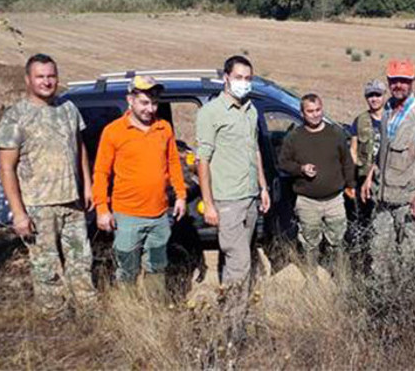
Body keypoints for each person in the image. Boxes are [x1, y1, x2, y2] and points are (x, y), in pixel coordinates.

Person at [0, 53, 97, 313]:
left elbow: (79, 148)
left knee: (81, 262)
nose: (47, 81)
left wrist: (87, 185)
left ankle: (88, 313)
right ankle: (55, 322)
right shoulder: (16, 116)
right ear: (28, 79)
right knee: (46, 270)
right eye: (40, 76)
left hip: (72, 204)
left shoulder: (68, 109)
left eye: (51, 76)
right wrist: (19, 214)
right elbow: (6, 168)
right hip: (38, 207)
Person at [92, 75, 187, 299]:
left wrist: (181, 195)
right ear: (130, 100)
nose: (150, 109)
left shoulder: (164, 128)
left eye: (154, 103)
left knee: (157, 266)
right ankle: (130, 312)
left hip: (159, 216)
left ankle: (155, 310)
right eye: (144, 102)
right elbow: (101, 172)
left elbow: (173, 162)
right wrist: (102, 208)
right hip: (127, 216)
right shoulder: (113, 131)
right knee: (127, 270)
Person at [196, 55, 271, 287]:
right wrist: (208, 204)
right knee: (240, 263)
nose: (244, 82)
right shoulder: (211, 112)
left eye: (248, 78)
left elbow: (255, 151)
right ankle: (232, 320)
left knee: (237, 260)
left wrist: (263, 187)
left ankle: (235, 311)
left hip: (250, 198)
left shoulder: (250, 110)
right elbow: (202, 161)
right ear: (226, 78)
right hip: (227, 201)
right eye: (239, 77)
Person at [361, 59, 415, 269]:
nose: (398, 85)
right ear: (388, 81)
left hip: (408, 201)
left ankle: (408, 302)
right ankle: (380, 300)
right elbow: (382, 151)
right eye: (394, 80)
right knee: (378, 254)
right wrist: (370, 178)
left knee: (407, 258)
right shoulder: (387, 108)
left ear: (412, 82)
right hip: (383, 198)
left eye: (404, 81)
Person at [278, 94, 356, 272]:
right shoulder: (294, 137)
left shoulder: (335, 133)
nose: (315, 114)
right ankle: (312, 278)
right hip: (307, 201)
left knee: (337, 241)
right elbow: (283, 163)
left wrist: (351, 185)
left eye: (318, 110)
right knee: (309, 243)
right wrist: (301, 169)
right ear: (302, 113)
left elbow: (347, 162)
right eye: (310, 111)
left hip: (334, 200)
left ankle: (337, 276)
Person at [347, 79, 385, 271]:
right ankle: (364, 261)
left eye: (377, 94)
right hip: (363, 179)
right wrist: (356, 169)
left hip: (387, 179)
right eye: (370, 95)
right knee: (364, 219)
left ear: (384, 96)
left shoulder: (392, 117)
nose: (374, 99)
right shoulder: (360, 120)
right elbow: (353, 148)